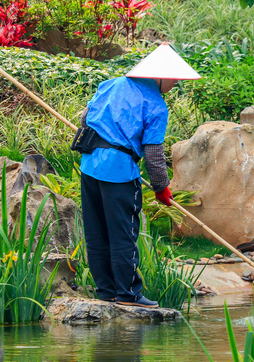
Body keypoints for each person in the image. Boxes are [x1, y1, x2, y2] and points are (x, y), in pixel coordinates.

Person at [77, 43, 201, 308]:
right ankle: (128, 294)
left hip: (90, 166)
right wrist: (161, 188)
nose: (176, 82)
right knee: (123, 234)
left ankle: (106, 291)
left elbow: (85, 119)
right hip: (119, 173)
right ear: (159, 75)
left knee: (97, 231)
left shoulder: (110, 85)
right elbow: (154, 154)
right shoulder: (156, 105)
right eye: (174, 77)